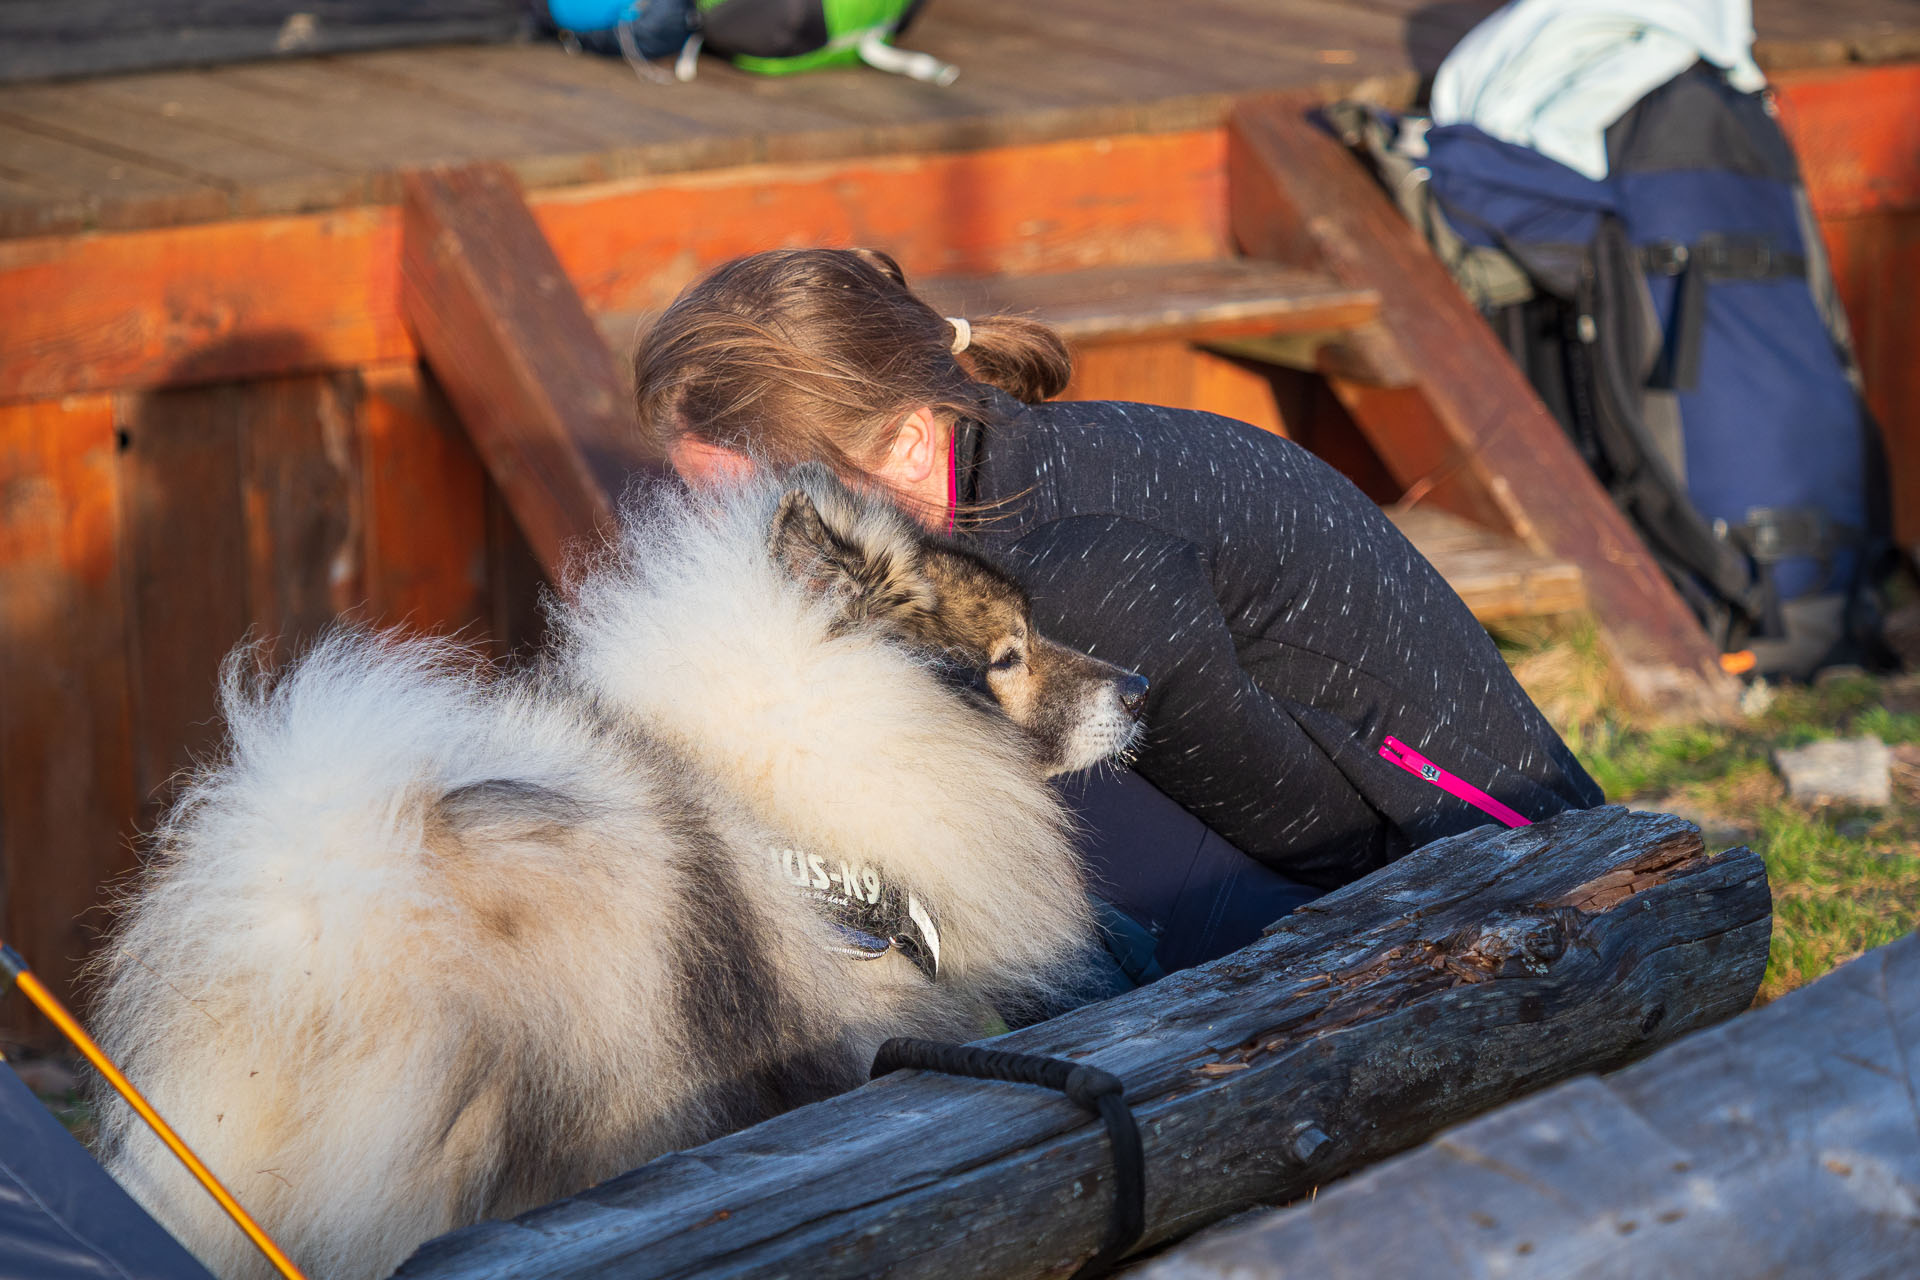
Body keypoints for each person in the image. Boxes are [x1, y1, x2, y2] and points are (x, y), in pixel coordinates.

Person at [637, 246, 1603, 992]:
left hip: (1494, 867)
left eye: (752, 505)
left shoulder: (1077, 572)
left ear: (901, 441)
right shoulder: (977, 486)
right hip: (1348, 827)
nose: (727, 540)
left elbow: (1315, 831)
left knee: (1009, 876)